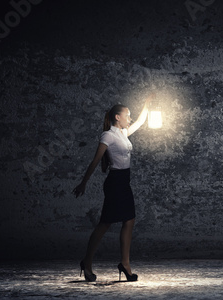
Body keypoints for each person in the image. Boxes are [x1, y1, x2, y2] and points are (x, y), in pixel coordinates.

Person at [72, 96, 152, 282]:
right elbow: (95, 160)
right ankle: (87, 262)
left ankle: (125, 264)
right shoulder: (108, 135)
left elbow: (140, 121)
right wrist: (83, 183)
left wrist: (147, 104)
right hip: (115, 182)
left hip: (124, 182)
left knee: (129, 220)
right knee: (105, 223)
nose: (130, 119)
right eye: (127, 115)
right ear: (117, 117)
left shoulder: (123, 134)